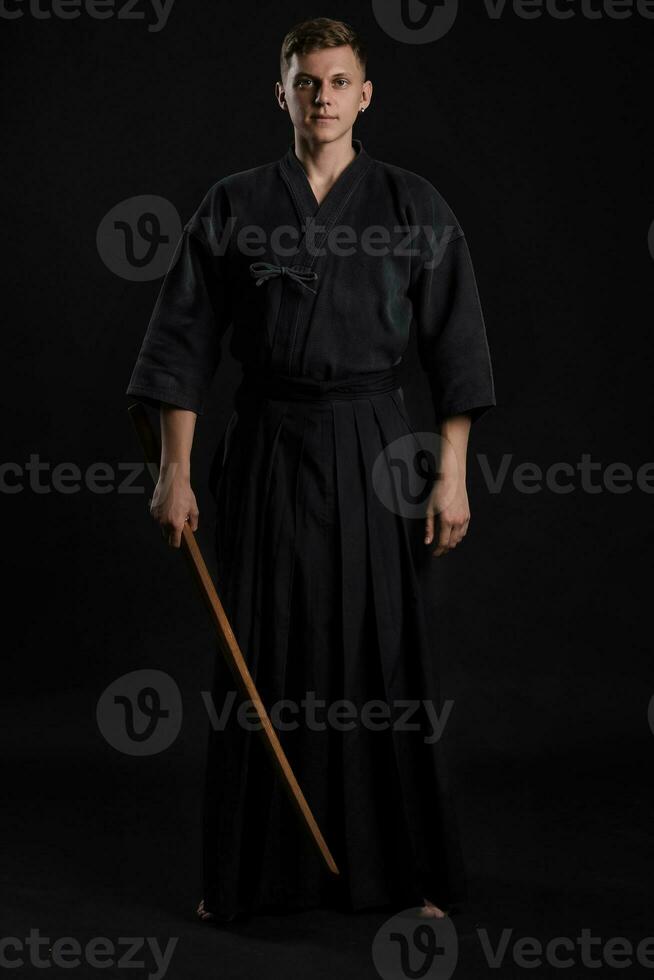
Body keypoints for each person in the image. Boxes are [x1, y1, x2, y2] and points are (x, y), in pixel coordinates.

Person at [126, 16, 496, 923]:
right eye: (306, 82)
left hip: (377, 447)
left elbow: (457, 348)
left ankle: (399, 875)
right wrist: (175, 472)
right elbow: (181, 346)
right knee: (264, 652)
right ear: (282, 92)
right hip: (267, 446)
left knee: (383, 660)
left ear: (365, 96)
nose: (322, 97)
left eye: (338, 82)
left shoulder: (412, 204)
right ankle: (251, 879)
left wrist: (451, 473)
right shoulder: (235, 202)